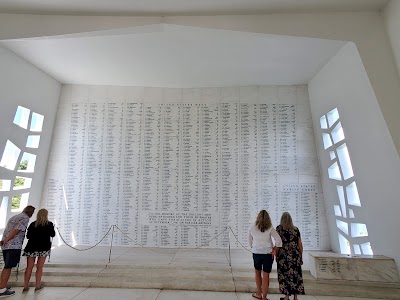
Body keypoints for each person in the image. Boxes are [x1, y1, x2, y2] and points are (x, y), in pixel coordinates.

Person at [0, 205, 35, 297]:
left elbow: (8, 229)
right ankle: (2, 290)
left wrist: (4, 241)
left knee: (7, 266)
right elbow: (16, 230)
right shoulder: (25, 218)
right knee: (8, 267)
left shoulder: (15, 217)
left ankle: (2, 287)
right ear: (31, 212)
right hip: (13, 245)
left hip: (6, 246)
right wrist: (7, 240)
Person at [249, 210, 282, 300]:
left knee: (257, 273)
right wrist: (275, 249)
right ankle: (264, 297)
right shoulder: (270, 227)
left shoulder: (252, 227)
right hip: (268, 253)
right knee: (266, 275)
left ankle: (258, 294)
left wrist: (253, 248)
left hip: (256, 253)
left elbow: (250, 241)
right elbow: (278, 240)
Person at [22, 208, 55, 293]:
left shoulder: (33, 224)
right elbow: (53, 234)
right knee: (39, 267)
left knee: (29, 267)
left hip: (31, 247)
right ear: (46, 215)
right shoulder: (49, 224)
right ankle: (37, 286)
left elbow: (28, 236)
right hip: (43, 248)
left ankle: (25, 286)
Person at [276, 212, 305, 300]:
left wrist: (275, 255)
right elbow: (300, 245)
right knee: (296, 276)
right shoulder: (296, 230)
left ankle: (286, 297)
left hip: (283, 256)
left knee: (284, 276)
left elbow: (277, 243)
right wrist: (300, 257)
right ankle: (295, 297)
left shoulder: (279, 229)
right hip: (295, 256)